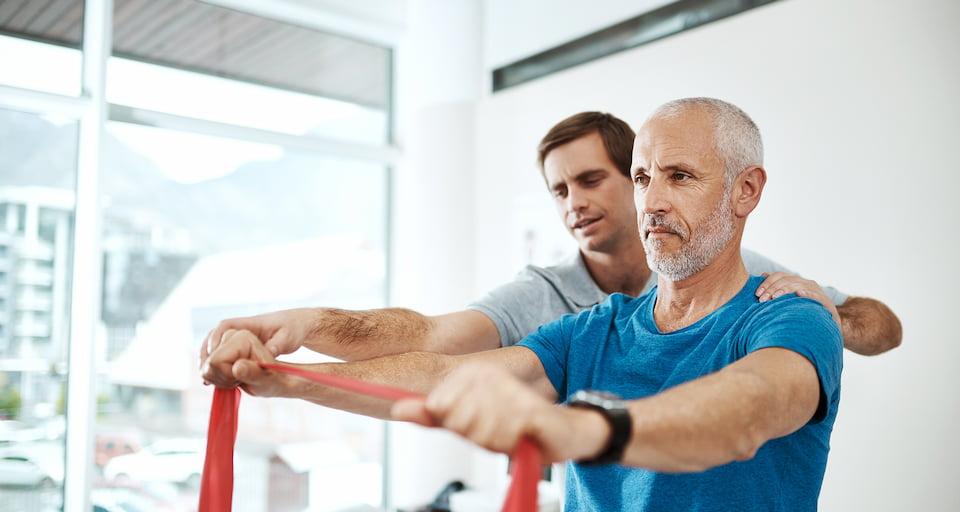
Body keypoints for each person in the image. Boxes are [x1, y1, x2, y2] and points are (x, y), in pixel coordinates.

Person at [202, 98, 846, 512]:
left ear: (746, 191)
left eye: (679, 176)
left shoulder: (790, 315)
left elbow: (746, 411)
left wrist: (583, 429)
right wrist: (286, 376)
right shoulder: (593, 326)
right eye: (643, 178)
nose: (651, 201)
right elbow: (440, 367)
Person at [199, 113, 900, 368]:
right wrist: (302, 327)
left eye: (591, 180)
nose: (575, 204)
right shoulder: (543, 296)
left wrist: (826, 313)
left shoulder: (743, 278)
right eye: (559, 191)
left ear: (637, 180)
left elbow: (882, 328)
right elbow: (430, 336)